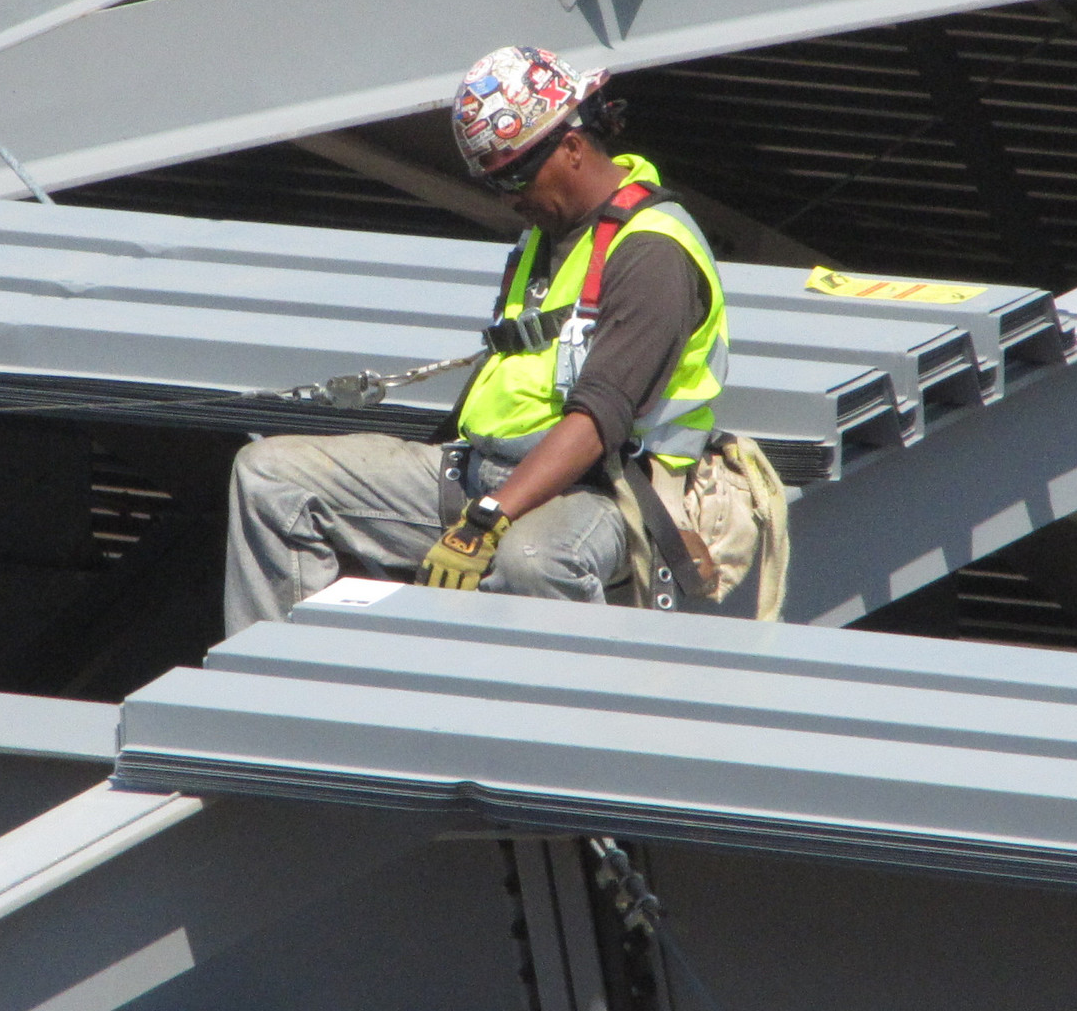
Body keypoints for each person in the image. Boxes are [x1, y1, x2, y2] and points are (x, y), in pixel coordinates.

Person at [223, 46, 728, 633]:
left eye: (515, 175)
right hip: (482, 470)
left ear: (570, 147)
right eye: (494, 183)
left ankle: (550, 719)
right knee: (270, 478)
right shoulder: (545, 236)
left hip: (598, 492)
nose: (509, 197)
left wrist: (487, 520)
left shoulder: (652, 253)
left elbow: (599, 419)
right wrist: (484, 501)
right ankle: (283, 690)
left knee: (535, 562)